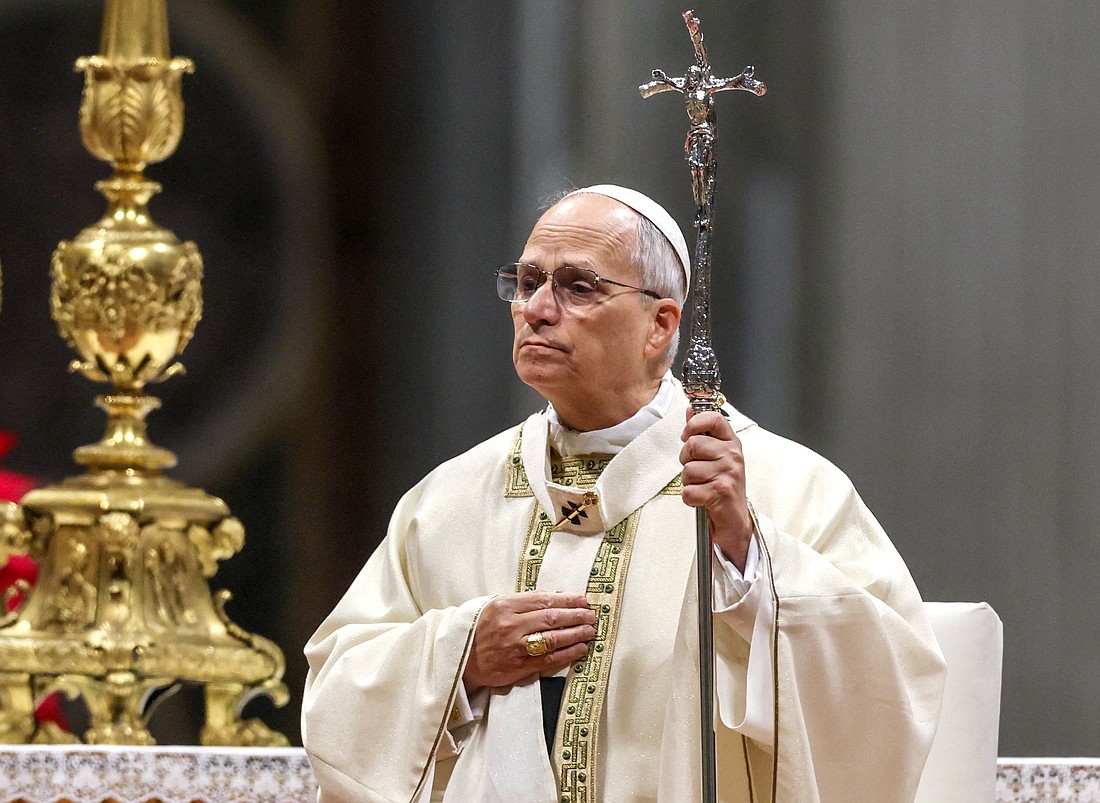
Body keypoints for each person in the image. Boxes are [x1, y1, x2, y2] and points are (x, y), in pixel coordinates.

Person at [302, 185, 946, 802]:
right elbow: (338, 690)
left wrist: (748, 560)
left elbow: (888, 690)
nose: (537, 309)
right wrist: (461, 656)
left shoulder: (785, 488)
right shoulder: (449, 501)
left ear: (660, 325)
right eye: (526, 283)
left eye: (577, 287)